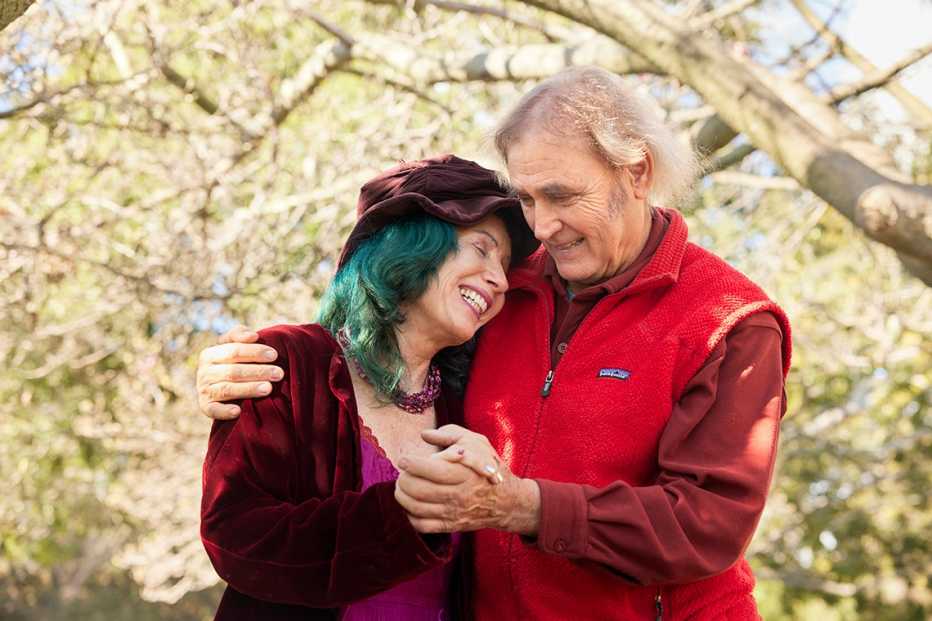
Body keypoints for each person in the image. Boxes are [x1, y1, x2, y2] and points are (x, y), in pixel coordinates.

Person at [197, 67, 791, 620]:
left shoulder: (730, 321)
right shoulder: (505, 289)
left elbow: (705, 524)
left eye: (561, 195)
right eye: (527, 199)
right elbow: (380, 343)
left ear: (636, 173)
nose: (542, 226)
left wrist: (522, 506)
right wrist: (241, 369)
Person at [198, 154, 539, 620]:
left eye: (504, 264)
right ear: (412, 243)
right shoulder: (285, 362)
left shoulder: (470, 402)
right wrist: (403, 516)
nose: (499, 280)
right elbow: (235, 536)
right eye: (482, 249)